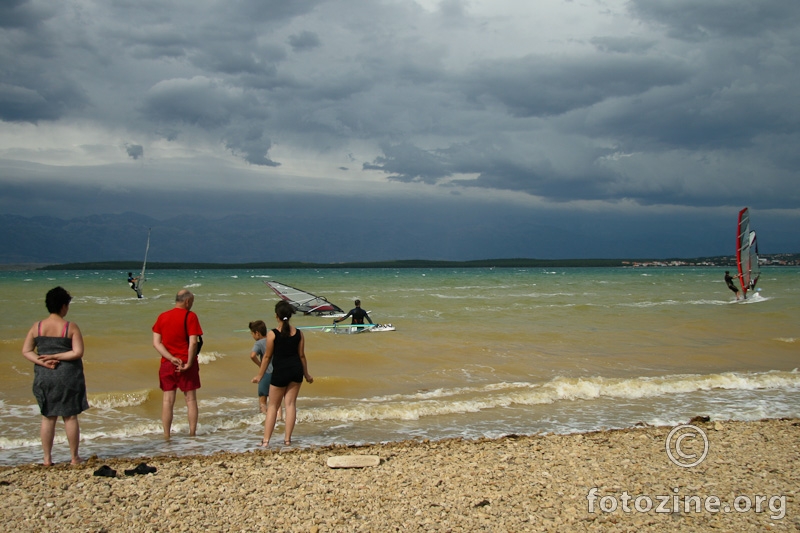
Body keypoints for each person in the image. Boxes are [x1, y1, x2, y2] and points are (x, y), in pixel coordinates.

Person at [21, 286, 89, 466]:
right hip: (68, 374)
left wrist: (44, 360)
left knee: (48, 416)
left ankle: (47, 459)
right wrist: (57, 356)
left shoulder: (37, 326)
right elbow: (77, 352)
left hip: (45, 375)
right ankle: (74, 458)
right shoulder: (70, 327)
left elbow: (26, 351)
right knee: (70, 416)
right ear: (63, 306)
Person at [252, 301, 313, 447]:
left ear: (276, 315)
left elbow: (267, 357)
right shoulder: (299, 333)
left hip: (280, 372)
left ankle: (266, 441)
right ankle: (287, 440)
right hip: (296, 371)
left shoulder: (273, 334)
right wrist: (307, 374)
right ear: (290, 315)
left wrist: (260, 375)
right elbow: (302, 356)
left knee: (273, 406)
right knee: (290, 405)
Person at [152, 289, 203, 440]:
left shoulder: (162, 316)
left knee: (167, 401)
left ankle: (167, 435)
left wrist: (170, 357)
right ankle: (192, 434)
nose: (192, 305)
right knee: (191, 400)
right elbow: (193, 342)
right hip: (186, 361)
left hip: (167, 363)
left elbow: (156, 343)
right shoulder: (190, 316)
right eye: (192, 302)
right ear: (187, 301)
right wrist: (189, 362)